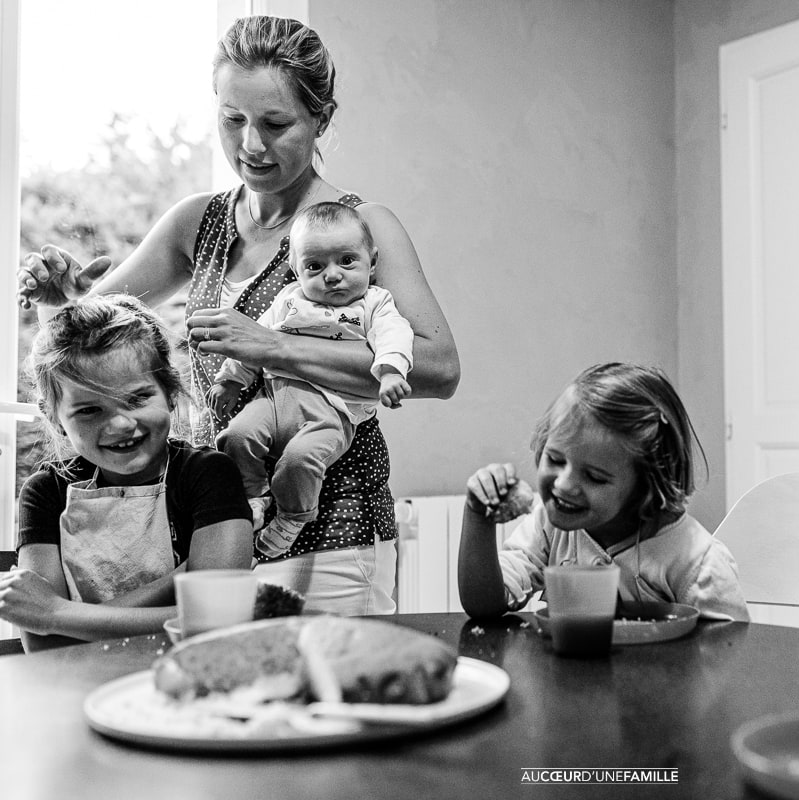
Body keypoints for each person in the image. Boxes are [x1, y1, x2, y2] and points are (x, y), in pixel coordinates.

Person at [16, 16, 459, 615]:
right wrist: (58, 305)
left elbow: (438, 367)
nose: (251, 145)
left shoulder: (363, 228)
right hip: (211, 536)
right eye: (233, 120)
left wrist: (271, 346)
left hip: (330, 540)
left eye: (276, 124)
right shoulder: (197, 222)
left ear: (321, 119)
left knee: (321, 701)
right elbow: (90, 343)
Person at [0, 295, 252, 652]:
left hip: (191, 679)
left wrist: (57, 614)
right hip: (74, 689)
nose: (119, 424)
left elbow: (215, 622)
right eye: (89, 410)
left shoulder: (208, 473)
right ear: (54, 416)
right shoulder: (44, 491)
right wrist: (175, 582)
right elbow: (43, 645)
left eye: (136, 399)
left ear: (170, 391)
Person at [458, 362, 749, 621]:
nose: (562, 484)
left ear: (647, 486)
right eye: (556, 460)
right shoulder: (548, 528)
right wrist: (478, 517)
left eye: (595, 477)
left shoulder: (697, 563)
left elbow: (728, 657)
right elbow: (484, 605)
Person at [211, 202, 414, 558]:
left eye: (347, 261)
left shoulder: (374, 303)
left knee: (300, 462)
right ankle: (253, 498)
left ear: (373, 260)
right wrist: (231, 380)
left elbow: (395, 336)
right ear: (295, 269)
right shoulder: (289, 299)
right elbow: (255, 340)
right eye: (315, 266)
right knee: (235, 436)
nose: (332, 275)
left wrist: (391, 372)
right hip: (273, 399)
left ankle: (292, 517)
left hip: (331, 412)